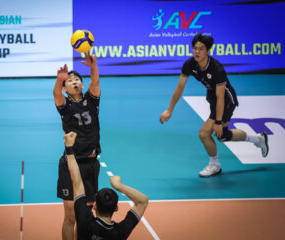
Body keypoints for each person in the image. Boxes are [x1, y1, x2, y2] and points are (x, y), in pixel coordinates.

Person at [159, 33, 269, 178]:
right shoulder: (190, 64)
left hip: (226, 100)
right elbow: (180, 87)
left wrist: (218, 121)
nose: (197, 52)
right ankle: (259, 139)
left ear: (208, 51)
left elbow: (221, 97)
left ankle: (215, 165)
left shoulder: (217, 69)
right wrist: (169, 110)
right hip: (213, 98)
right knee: (222, 136)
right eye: (195, 48)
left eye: (201, 49)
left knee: (205, 134)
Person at [64, 131, 149, 240]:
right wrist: (118, 186)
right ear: (116, 208)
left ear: (94, 206)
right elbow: (143, 201)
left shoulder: (85, 222)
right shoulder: (120, 232)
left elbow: (77, 182)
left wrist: (69, 148)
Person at [53, 52, 101, 240]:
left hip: (90, 164)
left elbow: (95, 83)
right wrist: (59, 80)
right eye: (70, 80)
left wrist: (93, 66)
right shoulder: (64, 107)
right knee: (70, 215)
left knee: (85, 217)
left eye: (77, 79)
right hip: (70, 164)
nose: (74, 82)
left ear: (82, 84)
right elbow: (56, 94)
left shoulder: (92, 100)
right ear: (65, 88)